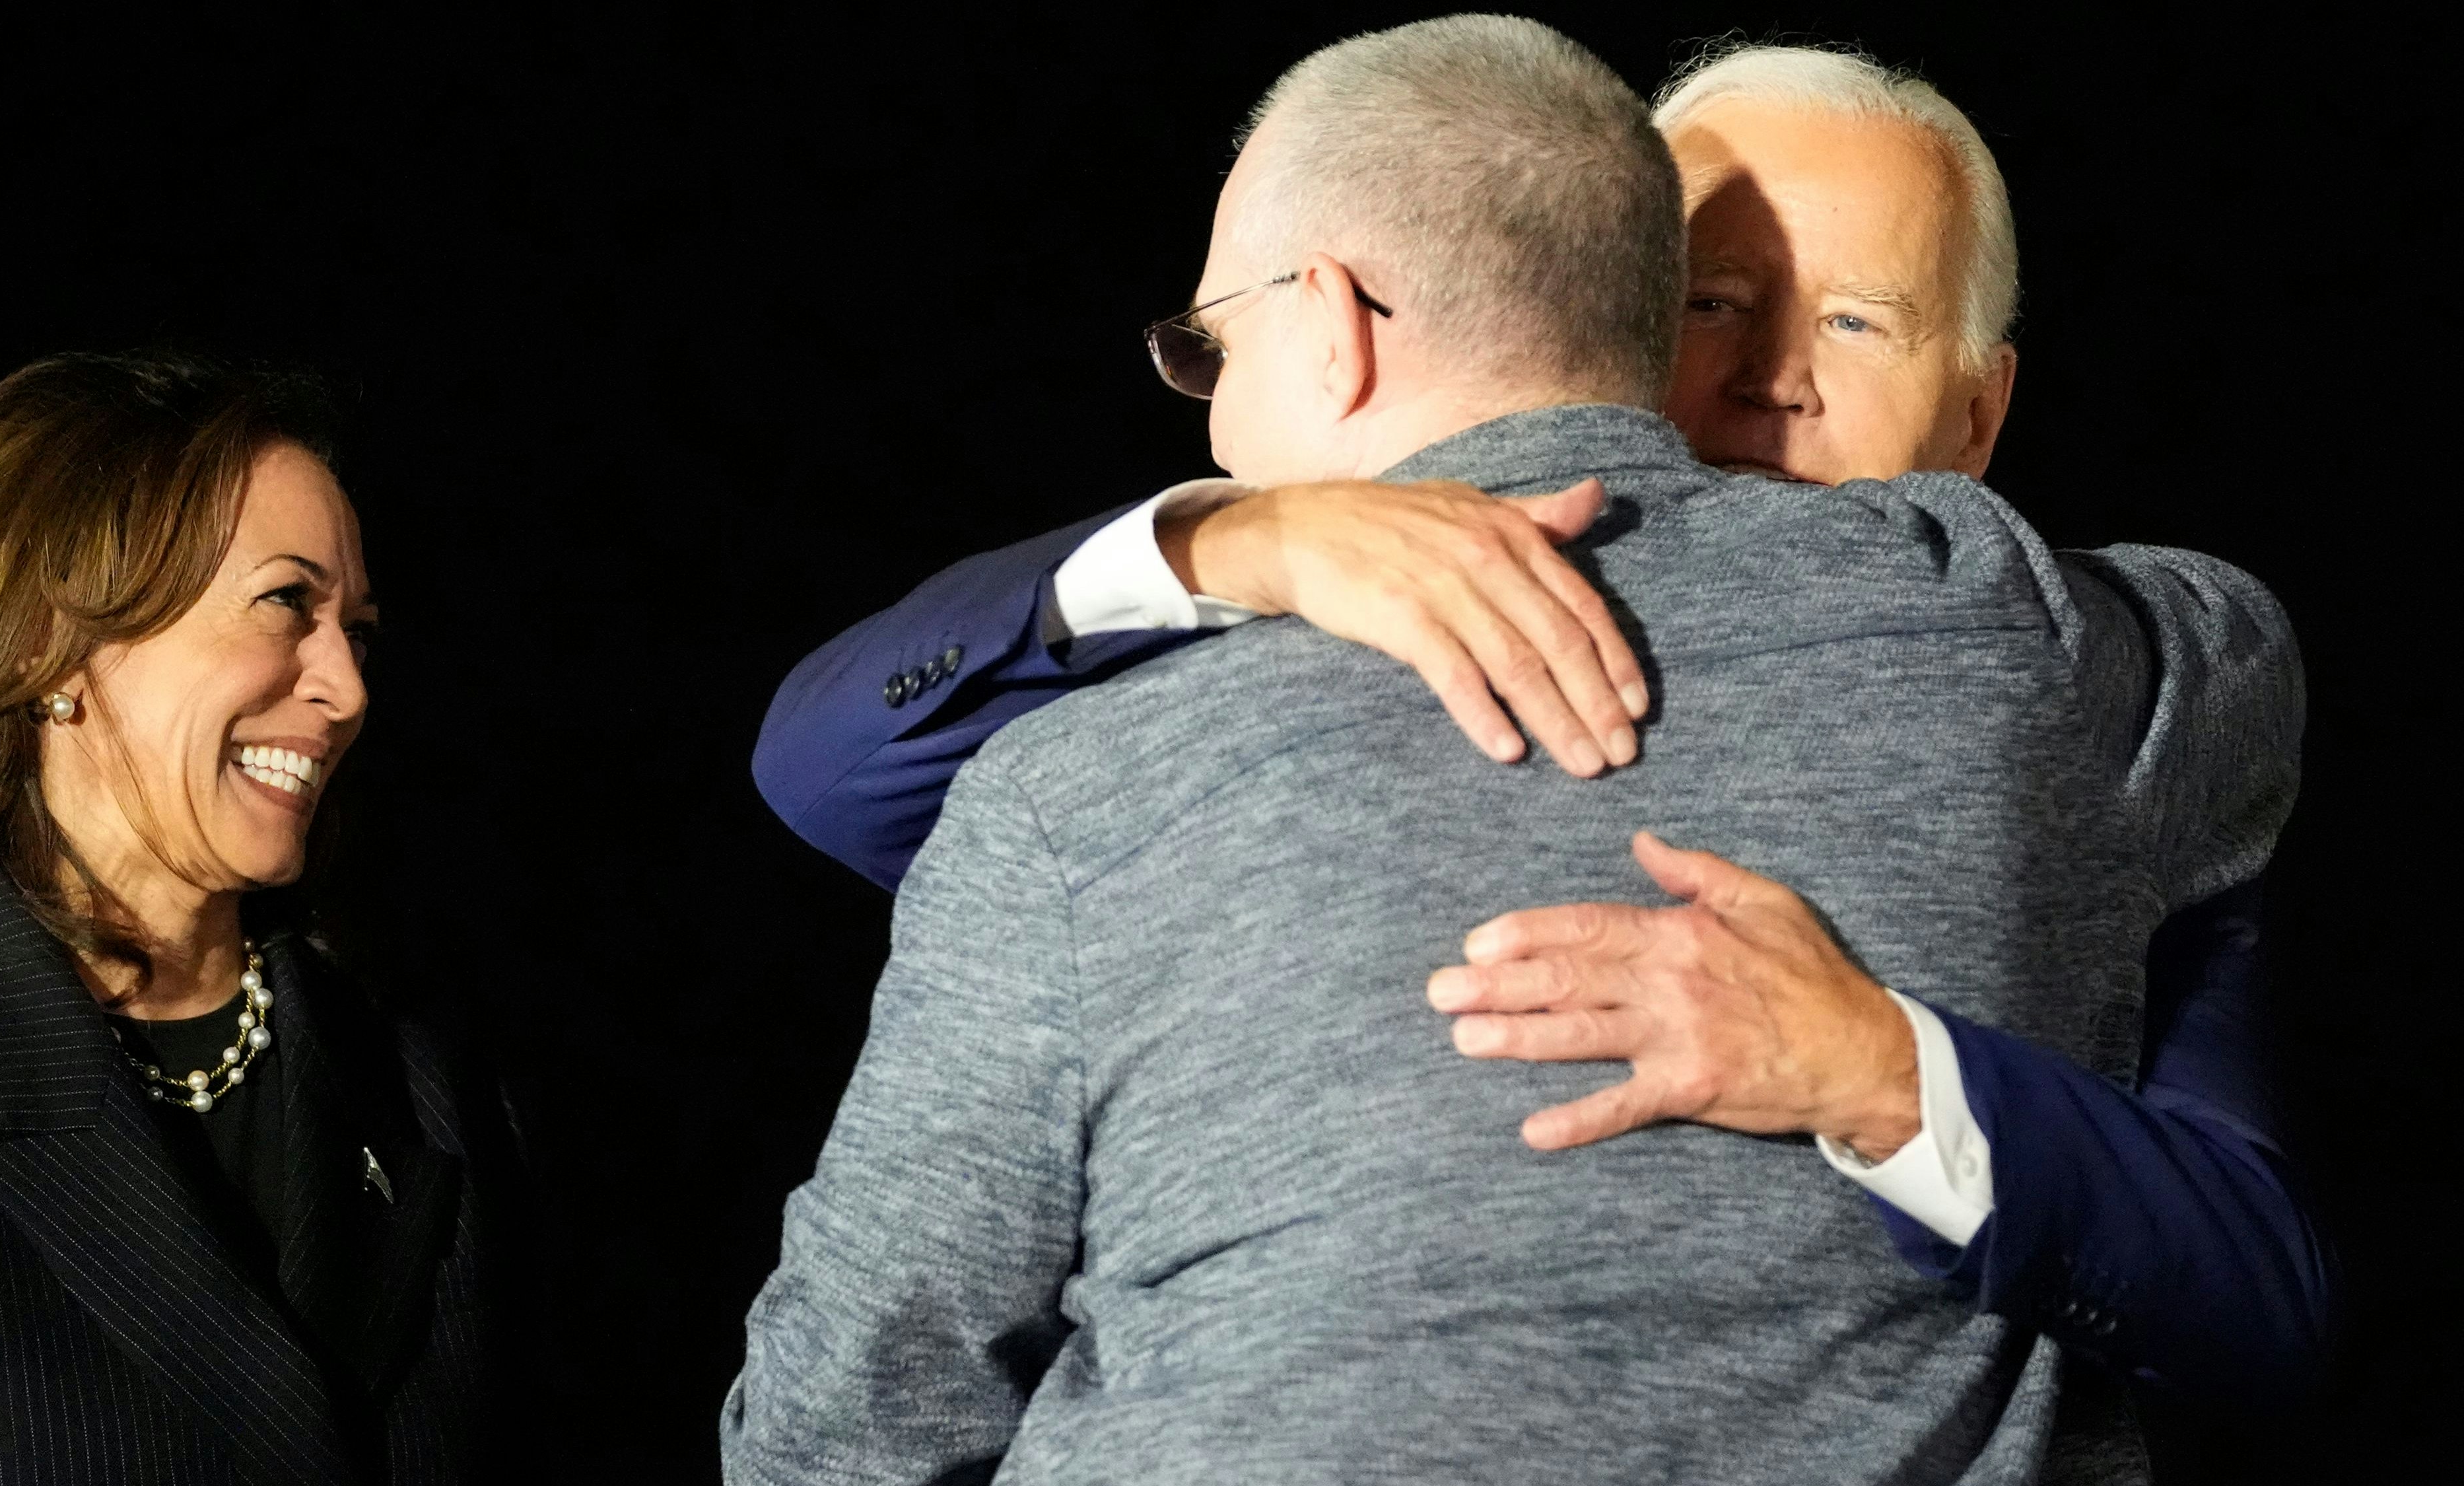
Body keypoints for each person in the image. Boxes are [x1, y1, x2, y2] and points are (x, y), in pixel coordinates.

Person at [724, 18, 2300, 1481]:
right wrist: (1231, 542)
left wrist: (1882, 1073)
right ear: (1609, 305)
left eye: (1856, 320)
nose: (1766, 381)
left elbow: (2251, 1284)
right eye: (1707, 301)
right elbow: (835, 768)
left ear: (1976, 421)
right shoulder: (1122, 740)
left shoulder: (2072, 675)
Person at [0, 353, 533, 1483]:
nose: (346, 688)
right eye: (286, 604)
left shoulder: (424, 1076)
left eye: (355, 627)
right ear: (47, 646)